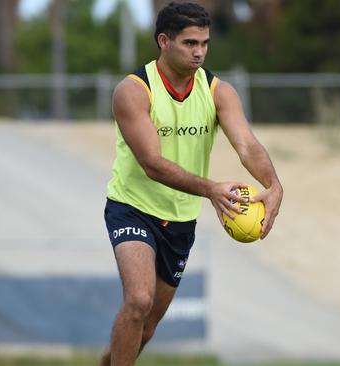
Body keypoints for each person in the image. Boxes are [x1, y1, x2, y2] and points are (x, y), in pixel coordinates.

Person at [99, 2, 283, 365]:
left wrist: (274, 184)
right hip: (132, 207)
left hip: (180, 220)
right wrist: (212, 189)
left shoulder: (218, 92)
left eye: (204, 43)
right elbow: (152, 164)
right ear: (164, 41)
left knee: (146, 328)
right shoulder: (134, 91)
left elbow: (246, 144)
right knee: (138, 300)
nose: (199, 51)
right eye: (189, 43)